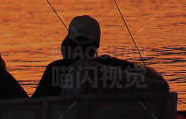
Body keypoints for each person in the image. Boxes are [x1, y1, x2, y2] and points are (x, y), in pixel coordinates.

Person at [31, 15, 168, 97]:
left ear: (68, 42)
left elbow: (34, 107)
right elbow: (161, 85)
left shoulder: (55, 69)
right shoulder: (112, 65)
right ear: (97, 43)